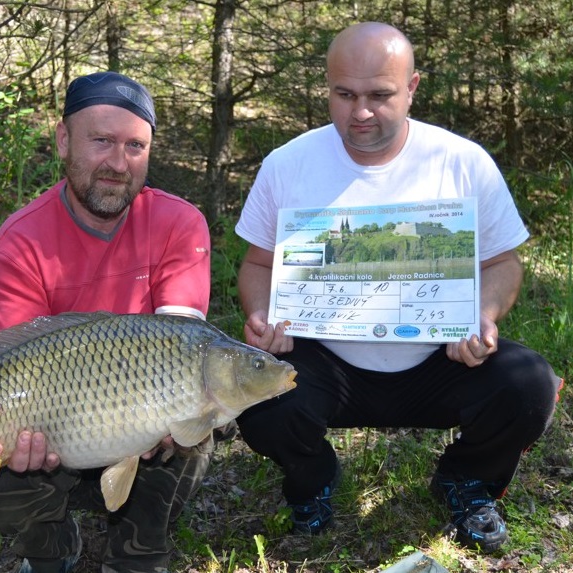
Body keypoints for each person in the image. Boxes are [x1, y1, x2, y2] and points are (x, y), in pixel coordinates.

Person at [234, 22, 561, 553]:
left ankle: (466, 479)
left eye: (379, 95)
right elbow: (257, 264)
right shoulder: (288, 164)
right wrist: (261, 316)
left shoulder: (462, 161)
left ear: (412, 87)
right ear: (328, 87)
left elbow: (503, 262)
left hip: (440, 360)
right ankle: (312, 478)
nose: (360, 112)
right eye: (344, 95)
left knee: (529, 385)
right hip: (328, 359)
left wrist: (483, 314)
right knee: (255, 395)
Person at [0, 71, 215, 573]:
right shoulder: (21, 243)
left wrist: (172, 412)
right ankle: (50, 546)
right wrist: (16, 439)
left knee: (196, 419)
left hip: (138, 421)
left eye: (136, 146)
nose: (118, 163)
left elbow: (183, 345)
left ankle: (136, 549)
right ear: (64, 141)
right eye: (102, 141)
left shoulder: (179, 223)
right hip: (54, 423)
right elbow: (10, 370)